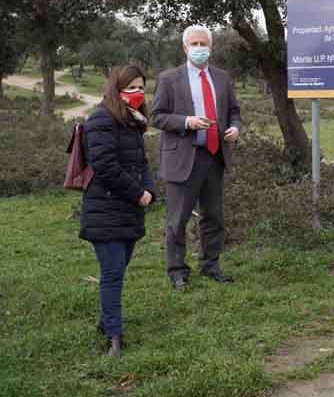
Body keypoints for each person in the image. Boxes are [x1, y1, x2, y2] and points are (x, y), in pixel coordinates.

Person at [152, 25, 241, 290]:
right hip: (183, 158)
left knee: (213, 216)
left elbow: (234, 111)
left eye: (204, 44)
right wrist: (187, 121)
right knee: (177, 219)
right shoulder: (169, 79)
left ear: (211, 47)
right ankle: (177, 271)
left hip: (215, 156)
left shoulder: (223, 78)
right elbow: (157, 116)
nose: (200, 48)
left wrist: (236, 127)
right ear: (185, 47)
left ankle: (210, 266)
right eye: (195, 44)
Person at [80, 65, 155, 356]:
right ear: (115, 88)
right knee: (112, 273)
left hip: (128, 209)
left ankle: (105, 321)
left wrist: (150, 189)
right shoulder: (101, 119)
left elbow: (141, 163)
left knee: (117, 269)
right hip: (106, 208)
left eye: (141, 87)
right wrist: (138, 193)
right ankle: (114, 337)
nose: (137, 93)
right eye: (131, 87)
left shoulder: (133, 121)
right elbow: (105, 166)